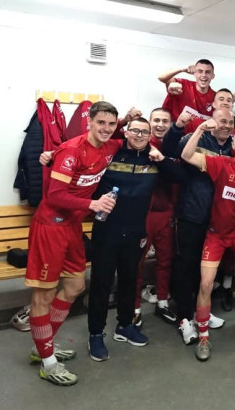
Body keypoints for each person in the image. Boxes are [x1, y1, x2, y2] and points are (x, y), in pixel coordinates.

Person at [25, 101, 121, 385]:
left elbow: (131, 136)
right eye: (100, 122)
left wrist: (130, 121)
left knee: (75, 286)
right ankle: (47, 362)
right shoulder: (71, 150)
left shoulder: (110, 147)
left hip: (72, 228)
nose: (106, 128)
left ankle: (43, 347)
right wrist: (93, 204)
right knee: (43, 296)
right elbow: (55, 195)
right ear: (88, 122)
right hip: (50, 228)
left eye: (111, 124)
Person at [179, 126, 235, 361]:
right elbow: (186, 155)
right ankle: (203, 336)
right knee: (206, 284)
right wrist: (200, 129)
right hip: (217, 234)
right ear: (233, 145)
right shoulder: (221, 163)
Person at [157, 109, 234, 346]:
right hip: (191, 215)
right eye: (222, 121)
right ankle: (184, 317)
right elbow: (170, 150)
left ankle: (202, 311)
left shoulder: (233, 146)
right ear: (212, 121)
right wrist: (184, 128)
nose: (226, 125)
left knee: (207, 271)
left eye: (230, 122)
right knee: (186, 268)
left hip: (217, 219)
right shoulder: (195, 138)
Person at [87, 117, 160, 361]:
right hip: (106, 228)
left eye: (144, 132)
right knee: (101, 283)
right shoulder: (111, 152)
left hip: (136, 231)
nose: (139, 135)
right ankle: (95, 334)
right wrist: (50, 155)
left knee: (129, 279)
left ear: (150, 136)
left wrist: (160, 157)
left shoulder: (154, 159)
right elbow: (86, 145)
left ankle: (125, 325)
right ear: (126, 132)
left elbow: (179, 175)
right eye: (135, 130)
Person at [133, 108, 176, 327]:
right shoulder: (138, 144)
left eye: (165, 121)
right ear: (149, 123)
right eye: (156, 120)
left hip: (166, 212)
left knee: (165, 260)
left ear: (171, 124)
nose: (160, 124)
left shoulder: (175, 146)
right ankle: (135, 308)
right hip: (143, 214)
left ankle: (162, 302)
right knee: (137, 263)